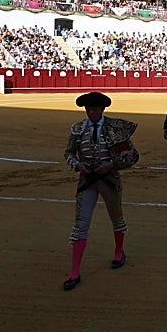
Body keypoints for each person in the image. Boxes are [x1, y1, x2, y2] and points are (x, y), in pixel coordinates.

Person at [61, 91, 139, 291]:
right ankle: (74, 272)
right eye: (88, 109)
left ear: (102, 109)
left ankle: (119, 251)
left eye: (94, 109)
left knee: (116, 218)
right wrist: (78, 165)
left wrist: (111, 164)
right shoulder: (78, 129)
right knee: (81, 224)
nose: (90, 112)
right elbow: (68, 153)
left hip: (109, 179)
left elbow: (132, 156)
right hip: (87, 180)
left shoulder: (115, 128)